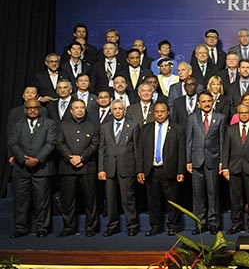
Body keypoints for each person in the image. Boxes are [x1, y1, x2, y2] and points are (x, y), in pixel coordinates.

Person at [7, 99, 56, 238]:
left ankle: (42, 228)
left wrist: (38, 159)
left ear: (40, 109)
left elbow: (50, 143)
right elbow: (13, 143)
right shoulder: (17, 125)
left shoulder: (49, 124)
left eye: (35, 107)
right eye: (30, 108)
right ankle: (21, 228)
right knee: (21, 201)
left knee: (42, 200)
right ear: (25, 110)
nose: (33, 110)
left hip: (42, 168)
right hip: (21, 168)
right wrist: (23, 160)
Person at [137, 102, 186, 236]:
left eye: (162, 111)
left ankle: (173, 226)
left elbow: (182, 151)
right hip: (151, 170)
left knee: (172, 200)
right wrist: (140, 170)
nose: (159, 114)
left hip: (170, 170)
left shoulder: (177, 128)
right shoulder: (146, 128)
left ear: (168, 112)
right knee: (153, 201)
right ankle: (155, 226)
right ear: (153, 113)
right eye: (157, 111)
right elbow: (140, 151)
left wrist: (181, 171)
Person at [56, 99, 100, 237]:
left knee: (90, 199)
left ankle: (91, 227)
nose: (80, 110)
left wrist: (81, 158)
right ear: (71, 110)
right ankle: (69, 227)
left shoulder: (93, 126)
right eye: (77, 108)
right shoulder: (63, 125)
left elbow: (95, 144)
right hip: (68, 168)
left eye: (82, 107)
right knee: (68, 200)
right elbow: (59, 143)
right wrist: (71, 158)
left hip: (87, 168)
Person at [97, 99, 141, 236]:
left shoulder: (133, 126)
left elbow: (137, 150)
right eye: (115, 109)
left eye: (120, 109)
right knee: (110, 200)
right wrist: (101, 169)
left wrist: (138, 169)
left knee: (128, 199)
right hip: (109, 168)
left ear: (124, 110)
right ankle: (112, 226)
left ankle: (132, 225)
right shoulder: (104, 127)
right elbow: (101, 149)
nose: (117, 111)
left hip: (127, 168)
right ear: (111, 111)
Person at [186, 91, 226, 235]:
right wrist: (188, 160)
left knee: (213, 193)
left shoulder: (220, 118)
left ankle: (214, 223)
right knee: (198, 194)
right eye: (203, 101)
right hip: (196, 160)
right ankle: (199, 223)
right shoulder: (192, 118)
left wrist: (222, 162)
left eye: (209, 101)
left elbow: (222, 141)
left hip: (213, 160)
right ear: (198, 104)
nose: (207, 104)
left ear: (213, 102)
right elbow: (189, 141)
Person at [222, 103, 249, 234]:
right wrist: (225, 168)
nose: (244, 115)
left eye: (246, 112)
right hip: (234, 168)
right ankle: (236, 224)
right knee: (235, 198)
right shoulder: (230, 129)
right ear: (237, 114)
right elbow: (226, 150)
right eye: (241, 113)